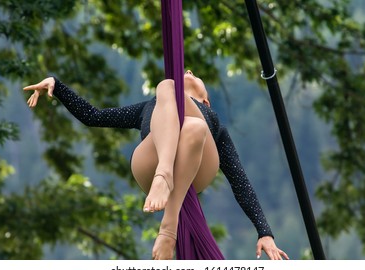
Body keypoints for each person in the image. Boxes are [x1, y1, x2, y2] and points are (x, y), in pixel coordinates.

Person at [23, 70, 289, 260]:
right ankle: (164, 174)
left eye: (195, 75)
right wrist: (57, 86)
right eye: (187, 70)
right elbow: (94, 116)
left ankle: (168, 223)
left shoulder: (212, 119)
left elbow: (239, 179)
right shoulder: (150, 106)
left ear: (205, 100)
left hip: (195, 168)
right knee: (166, 89)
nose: (188, 70)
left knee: (193, 123)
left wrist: (264, 231)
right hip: (149, 166)